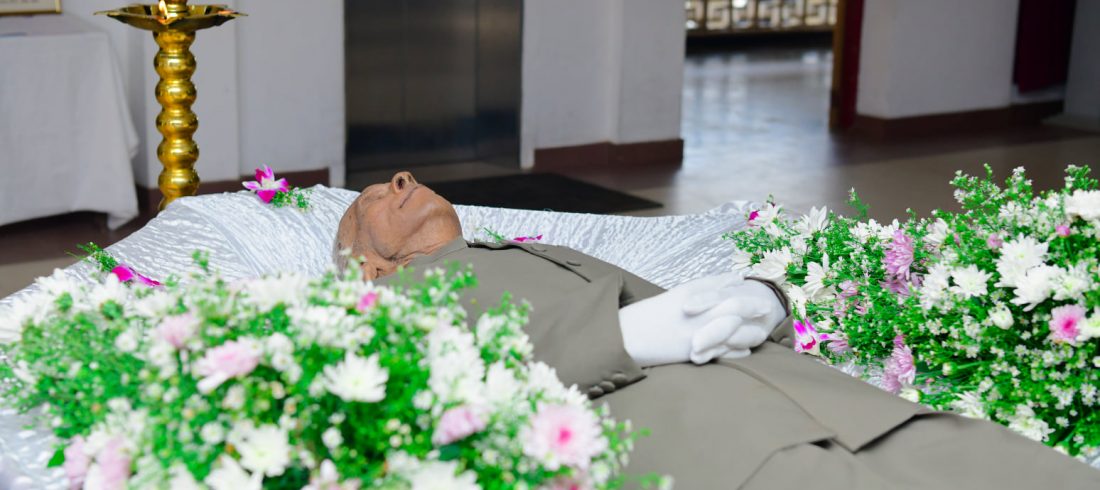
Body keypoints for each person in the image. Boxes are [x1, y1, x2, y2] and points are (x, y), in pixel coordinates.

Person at [334, 172, 1100, 489]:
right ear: (369, 269)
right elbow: (457, 393)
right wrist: (631, 336)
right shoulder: (392, 311)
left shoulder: (525, 252)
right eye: (372, 196)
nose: (401, 180)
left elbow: (699, 313)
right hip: (723, 447)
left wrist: (765, 298)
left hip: (844, 408)